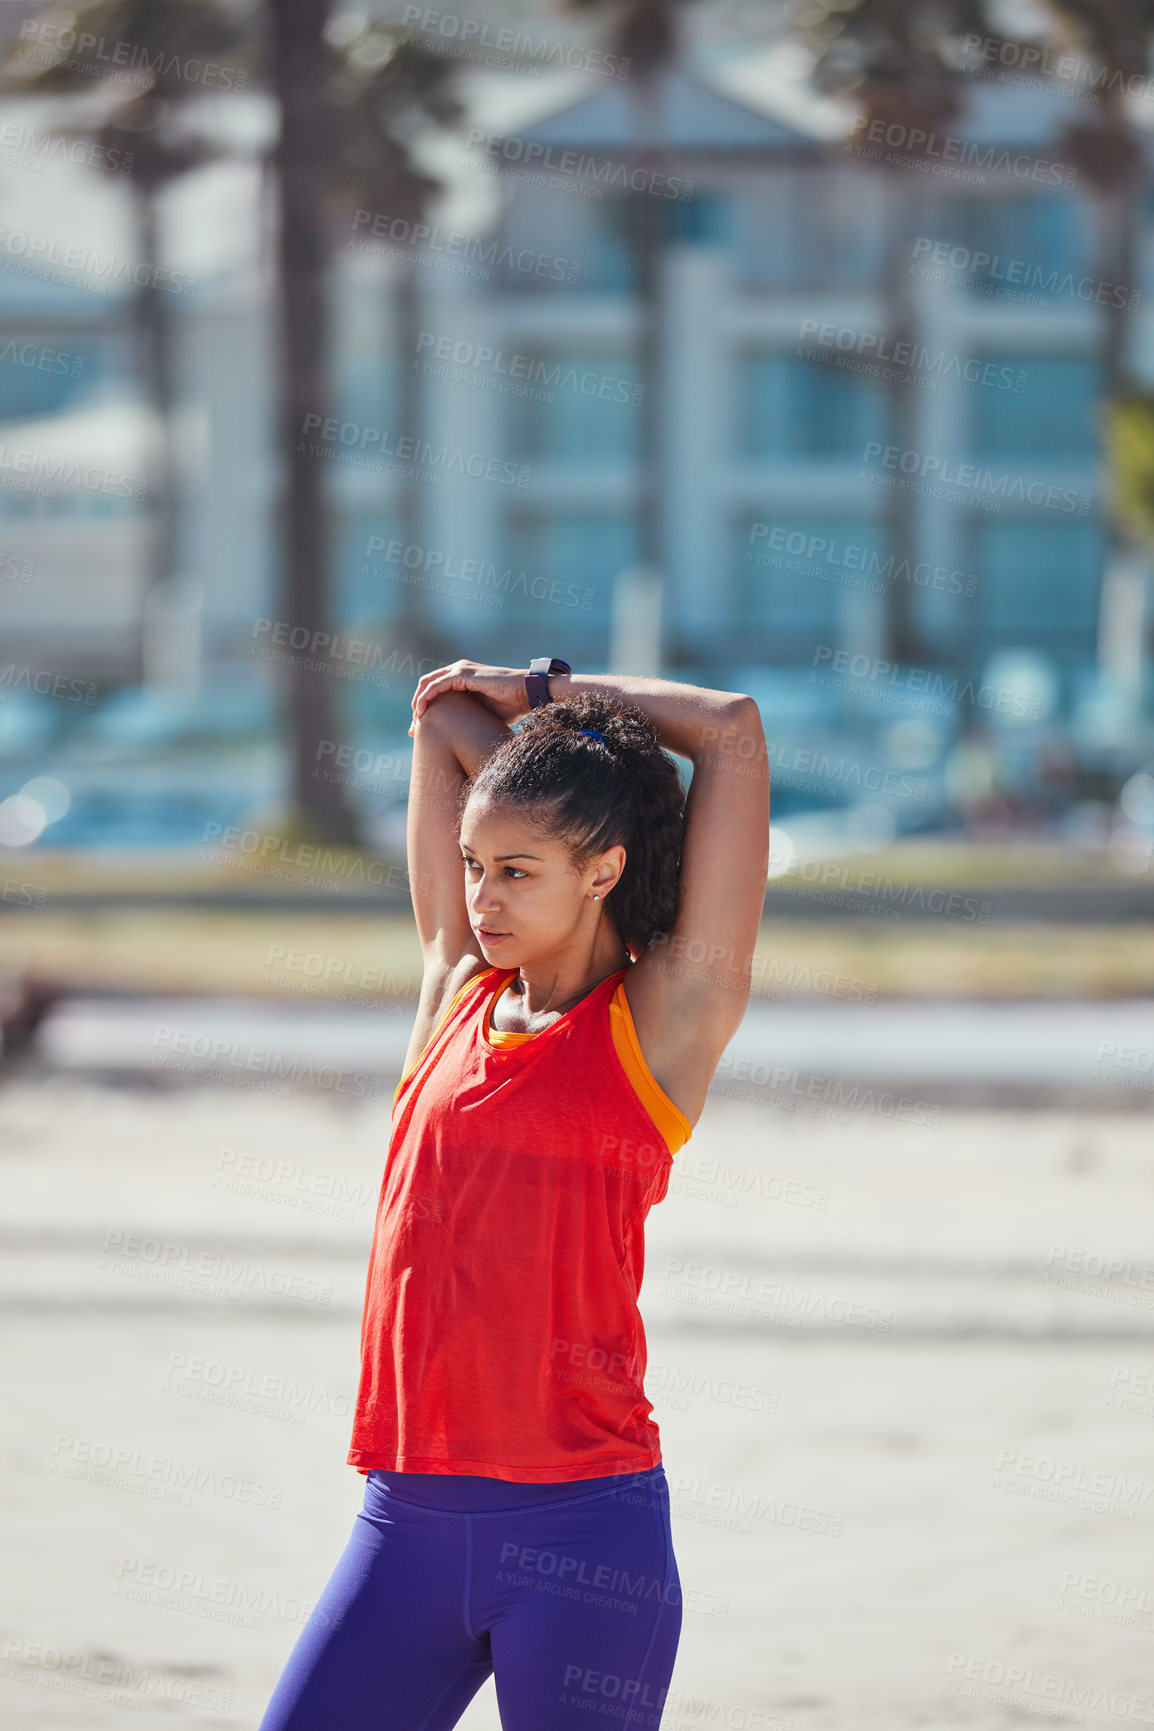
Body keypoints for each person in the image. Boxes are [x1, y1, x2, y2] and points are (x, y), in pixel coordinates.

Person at [259, 658, 769, 1731]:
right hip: (404, 1522)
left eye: (517, 873)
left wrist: (544, 694)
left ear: (601, 871)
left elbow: (727, 729)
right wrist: (539, 772)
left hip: (584, 1538)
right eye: (472, 866)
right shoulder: (454, 989)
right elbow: (439, 716)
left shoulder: (660, 1023)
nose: (481, 899)